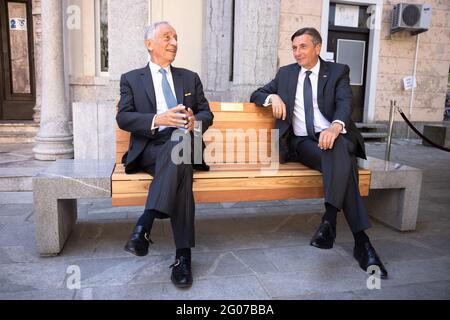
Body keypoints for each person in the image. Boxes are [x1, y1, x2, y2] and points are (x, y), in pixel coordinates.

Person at [250, 27, 388, 279]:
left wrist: (335, 126)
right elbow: (256, 93)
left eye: (302, 46)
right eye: (293, 47)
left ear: (317, 47)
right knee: (344, 158)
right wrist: (273, 98)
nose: (297, 52)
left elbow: (346, 103)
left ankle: (336, 226)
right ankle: (354, 237)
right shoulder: (286, 74)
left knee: (340, 149)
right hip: (302, 144)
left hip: (333, 137)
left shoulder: (337, 71)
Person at [116, 21, 214, 288]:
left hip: (185, 141)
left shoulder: (189, 76)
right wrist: (158, 118)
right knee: (180, 170)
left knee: (181, 141)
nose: (174, 43)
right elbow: (123, 117)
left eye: (176, 38)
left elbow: (207, 113)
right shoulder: (131, 79)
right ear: (150, 44)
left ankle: (144, 225)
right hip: (150, 147)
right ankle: (183, 257)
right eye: (167, 37)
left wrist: (195, 121)